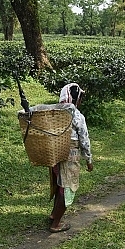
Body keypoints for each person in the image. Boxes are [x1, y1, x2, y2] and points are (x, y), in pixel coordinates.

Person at [49, 83, 93, 233]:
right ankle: (56, 224)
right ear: (76, 99)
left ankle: (54, 214)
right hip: (70, 156)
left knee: (59, 185)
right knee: (67, 188)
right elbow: (84, 140)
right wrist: (89, 160)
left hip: (55, 155)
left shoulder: (55, 112)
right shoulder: (77, 116)